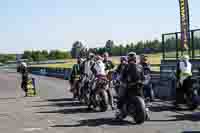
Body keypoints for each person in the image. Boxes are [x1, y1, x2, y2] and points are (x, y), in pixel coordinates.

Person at [116, 52, 147, 119]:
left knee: (120, 96)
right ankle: (146, 111)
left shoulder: (126, 66)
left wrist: (119, 80)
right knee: (142, 96)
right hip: (139, 85)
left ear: (128, 58)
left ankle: (119, 111)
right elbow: (143, 77)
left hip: (129, 85)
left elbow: (122, 77)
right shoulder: (140, 66)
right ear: (135, 58)